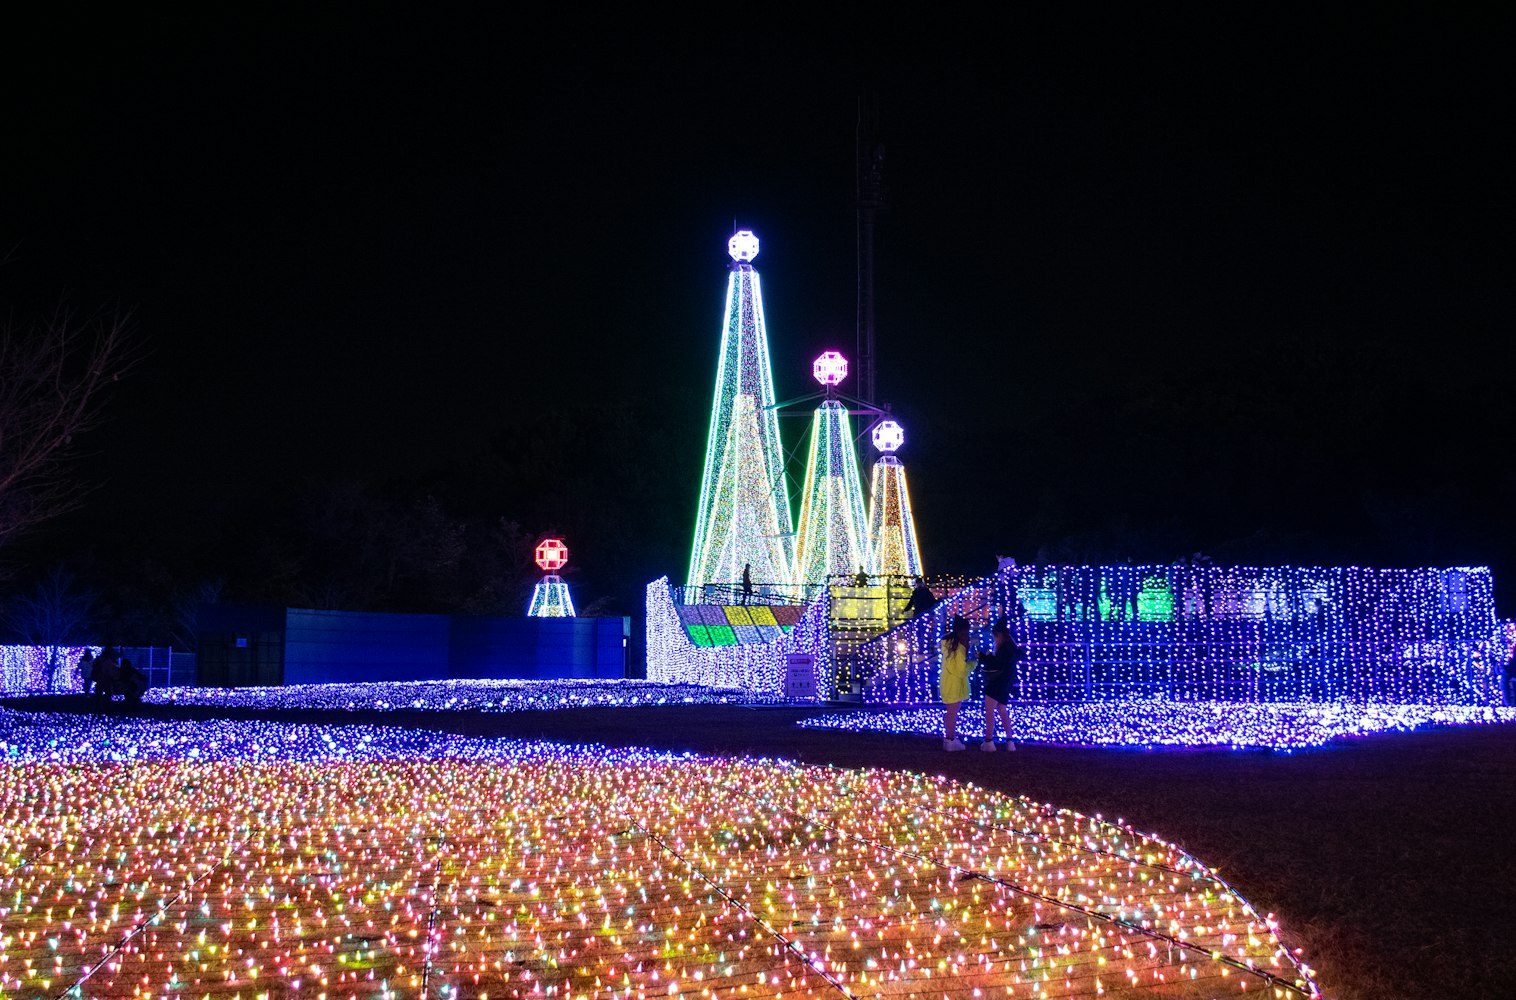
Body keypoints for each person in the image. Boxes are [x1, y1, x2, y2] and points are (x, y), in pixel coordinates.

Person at [977, 617, 1022, 751]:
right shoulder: (1011, 647)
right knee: (1002, 710)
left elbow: (998, 664)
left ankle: (989, 741)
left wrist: (985, 657)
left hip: (997, 682)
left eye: (994, 636)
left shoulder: (1004, 648)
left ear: (999, 635)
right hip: (1006, 682)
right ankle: (1010, 741)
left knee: (989, 710)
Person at [939, 616, 976, 750]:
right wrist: (973, 663)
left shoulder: (948, 645)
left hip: (947, 682)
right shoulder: (959, 649)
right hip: (955, 684)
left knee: (950, 712)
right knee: (952, 713)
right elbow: (961, 670)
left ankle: (949, 738)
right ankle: (950, 739)